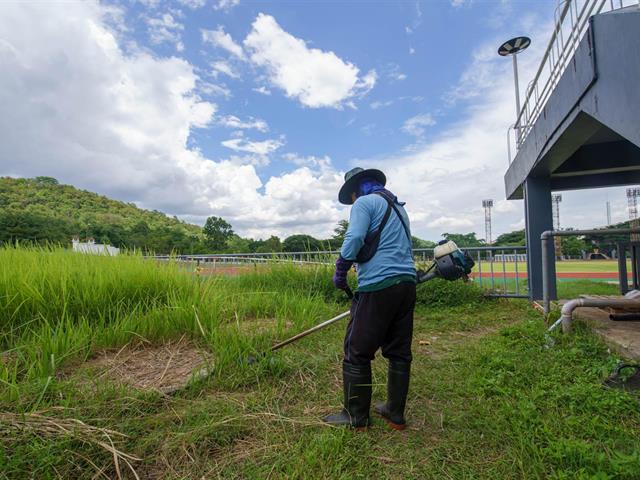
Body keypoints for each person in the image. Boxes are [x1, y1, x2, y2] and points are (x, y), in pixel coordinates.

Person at [322, 167, 416, 431]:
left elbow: (354, 237)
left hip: (378, 286)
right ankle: (395, 413)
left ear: (354, 191)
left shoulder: (364, 202)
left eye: (350, 197)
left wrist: (341, 269)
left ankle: (355, 416)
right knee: (399, 351)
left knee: (357, 350)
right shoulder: (399, 207)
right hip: (406, 284)